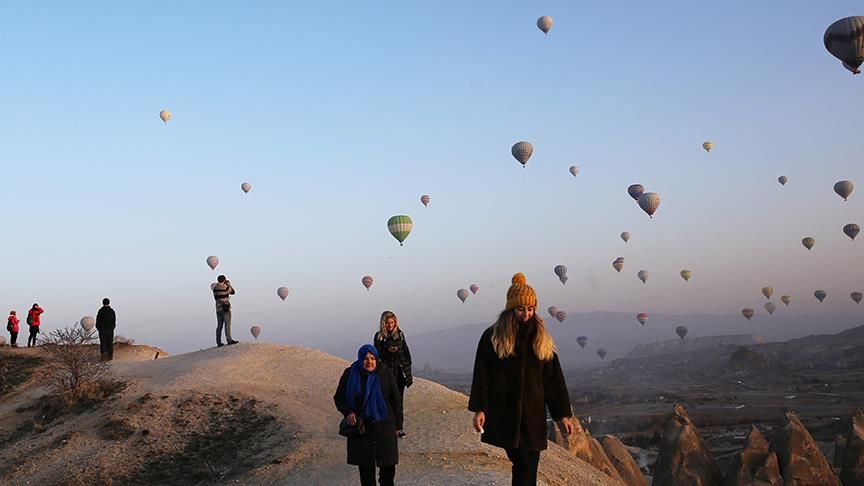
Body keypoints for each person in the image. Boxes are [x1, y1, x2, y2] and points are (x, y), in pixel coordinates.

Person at [468, 273, 574, 486]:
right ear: (510, 309)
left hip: (533, 414)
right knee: (523, 463)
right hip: (505, 413)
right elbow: (482, 375)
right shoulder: (493, 337)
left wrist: (562, 415)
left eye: (530, 309)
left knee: (529, 465)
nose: (526, 314)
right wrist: (481, 409)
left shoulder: (541, 336)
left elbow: (553, 379)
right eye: (521, 309)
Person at [334, 344, 402, 486]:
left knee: (388, 473)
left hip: (385, 427)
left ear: (377, 359)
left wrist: (398, 426)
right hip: (362, 429)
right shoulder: (350, 373)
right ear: (360, 359)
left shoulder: (385, 373)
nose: (369, 362)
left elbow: (396, 400)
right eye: (365, 358)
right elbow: (339, 397)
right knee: (366, 475)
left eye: (372, 358)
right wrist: (348, 412)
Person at [373, 311, 413, 438]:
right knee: (385, 400)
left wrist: (408, 373)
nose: (390, 325)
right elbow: (376, 355)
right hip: (386, 373)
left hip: (400, 373)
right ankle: (386, 427)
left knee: (398, 401)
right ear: (383, 323)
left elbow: (406, 353)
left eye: (392, 322)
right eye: (387, 323)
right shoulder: (379, 336)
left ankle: (398, 429)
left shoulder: (400, 334)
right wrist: (387, 350)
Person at [212, 275, 237, 347]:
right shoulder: (225, 287)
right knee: (227, 324)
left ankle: (218, 342)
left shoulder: (215, 288)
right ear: (224, 280)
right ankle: (229, 340)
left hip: (218, 309)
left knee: (219, 326)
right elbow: (233, 292)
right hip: (225, 308)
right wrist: (229, 284)